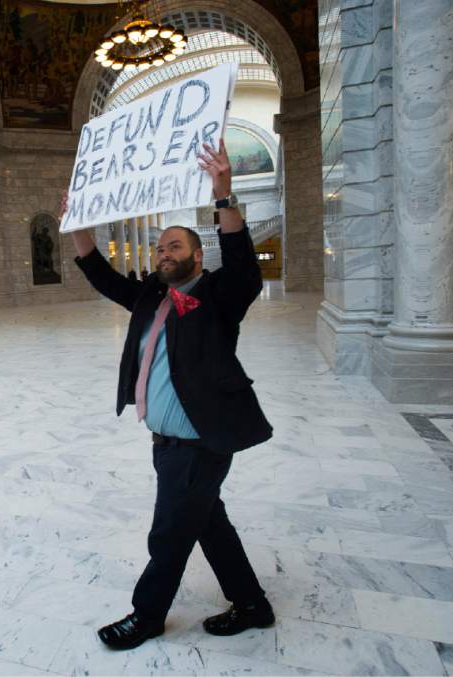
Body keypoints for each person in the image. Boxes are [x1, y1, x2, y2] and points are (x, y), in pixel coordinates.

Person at [66, 139, 273, 651]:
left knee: (169, 535)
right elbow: (104, 277)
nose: (164, 253)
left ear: (197, 253)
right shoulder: (152, 295)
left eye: (174, 247)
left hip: (201, 441)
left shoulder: (218, 296)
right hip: (167, 441)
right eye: (159, 248)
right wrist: (81, 230)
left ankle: (147, 616)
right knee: (207, 523)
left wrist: (223, 197)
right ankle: (252, 604)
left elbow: (246, 270)